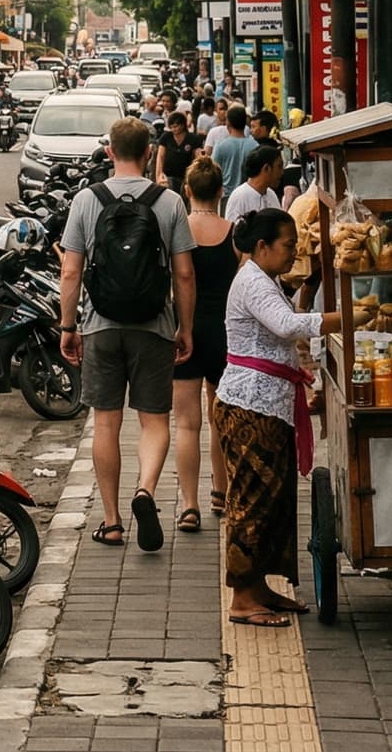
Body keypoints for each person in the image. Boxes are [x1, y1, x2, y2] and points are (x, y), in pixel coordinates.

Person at [58, 116, 198, 553]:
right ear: (147, 152)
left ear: (109, 152)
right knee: (154, 421)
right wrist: (184, 327)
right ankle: (147, 491)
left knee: (106, 421)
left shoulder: (87, 199)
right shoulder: (169, 201)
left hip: (100, 325)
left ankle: (113, 521)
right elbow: (185, 273)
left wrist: (68, 326)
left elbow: (70, 270)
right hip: (154, 325)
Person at [220, 207, 361, 627]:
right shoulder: (252, 281)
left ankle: (259, 585)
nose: (293, 253)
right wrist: (349, 318)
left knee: (275, 501)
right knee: (251, 501)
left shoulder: (267, 280)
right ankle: (243, 598)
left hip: (270, 405)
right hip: (250, 405)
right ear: (261, 246)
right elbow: (286, 325)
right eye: (287, 246)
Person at [173, 157, 238, 533]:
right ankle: (221, 491)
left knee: (186, 424)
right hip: (224, 335)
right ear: (220, 191)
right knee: (220, 419)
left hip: (185, 332)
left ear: (187, 190)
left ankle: (189, 506)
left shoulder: (178, 231)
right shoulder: (233, 233)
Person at [224, 143, 284, 225]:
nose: (282, 172)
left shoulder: (271, 194)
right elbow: (233, 232)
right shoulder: (239, 196)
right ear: (266, 168)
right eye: (279, 167)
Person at [150, 110, 200, 192]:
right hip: (168, 176)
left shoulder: (193, 139)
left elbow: (197, 158)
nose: (174, 129)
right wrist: (159, 175)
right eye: (171, 127)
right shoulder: (166, 137)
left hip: (185, 176)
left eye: (176, 126)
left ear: (183, 125)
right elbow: (160, 156)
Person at [209, 105, 257, 192]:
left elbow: (212, 172)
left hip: (226, 196)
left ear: (228, 123)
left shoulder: (221, 146)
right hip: (249, 195)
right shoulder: (255, 146)